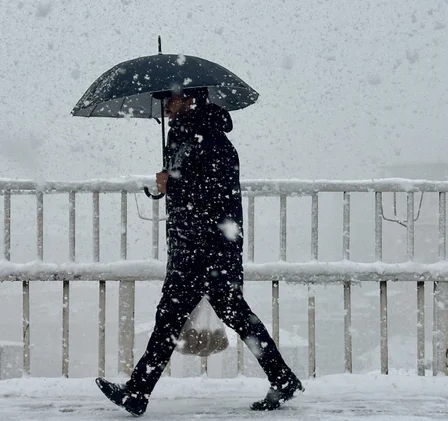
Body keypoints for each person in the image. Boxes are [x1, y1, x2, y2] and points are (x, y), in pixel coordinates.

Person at [95, 87, 303, 416]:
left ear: (191, 99)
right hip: (191, 247)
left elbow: (214, 194)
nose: (166, 106)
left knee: (183, 318)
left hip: (210, 250)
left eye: (171, 99)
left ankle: (137, 392)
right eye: (163, 100)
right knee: (201, 318)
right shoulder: (181, 138)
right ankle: (281, 378)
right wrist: (166, 186)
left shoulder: (214, 141)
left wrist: (172, 185)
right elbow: (190, 189)